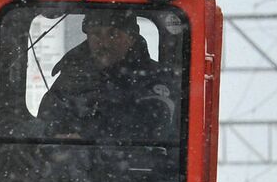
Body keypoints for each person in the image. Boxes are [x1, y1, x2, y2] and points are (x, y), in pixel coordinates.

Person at [36, 9, 177, 140]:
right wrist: (56, 139)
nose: (104, 43)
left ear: (131, 38)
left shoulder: (155, 78)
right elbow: (46, 119)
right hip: (71, 164)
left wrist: (85, 137)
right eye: (96, 34)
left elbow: (154, 126)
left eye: (113, 34)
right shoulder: (72, 76)